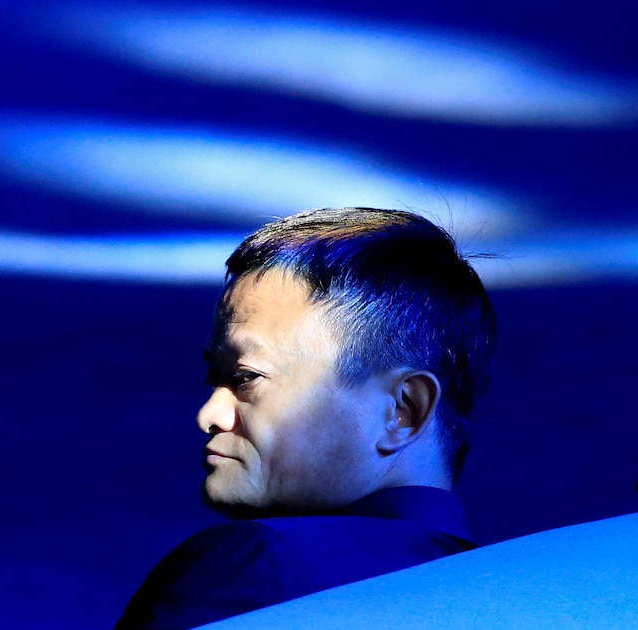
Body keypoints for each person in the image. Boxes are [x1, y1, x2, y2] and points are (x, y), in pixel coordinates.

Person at [115, 208, 496, 630]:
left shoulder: (263, 566)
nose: (210, 415)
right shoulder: (505, 597)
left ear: (402, 410)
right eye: (214, 379)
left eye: (246, 377)